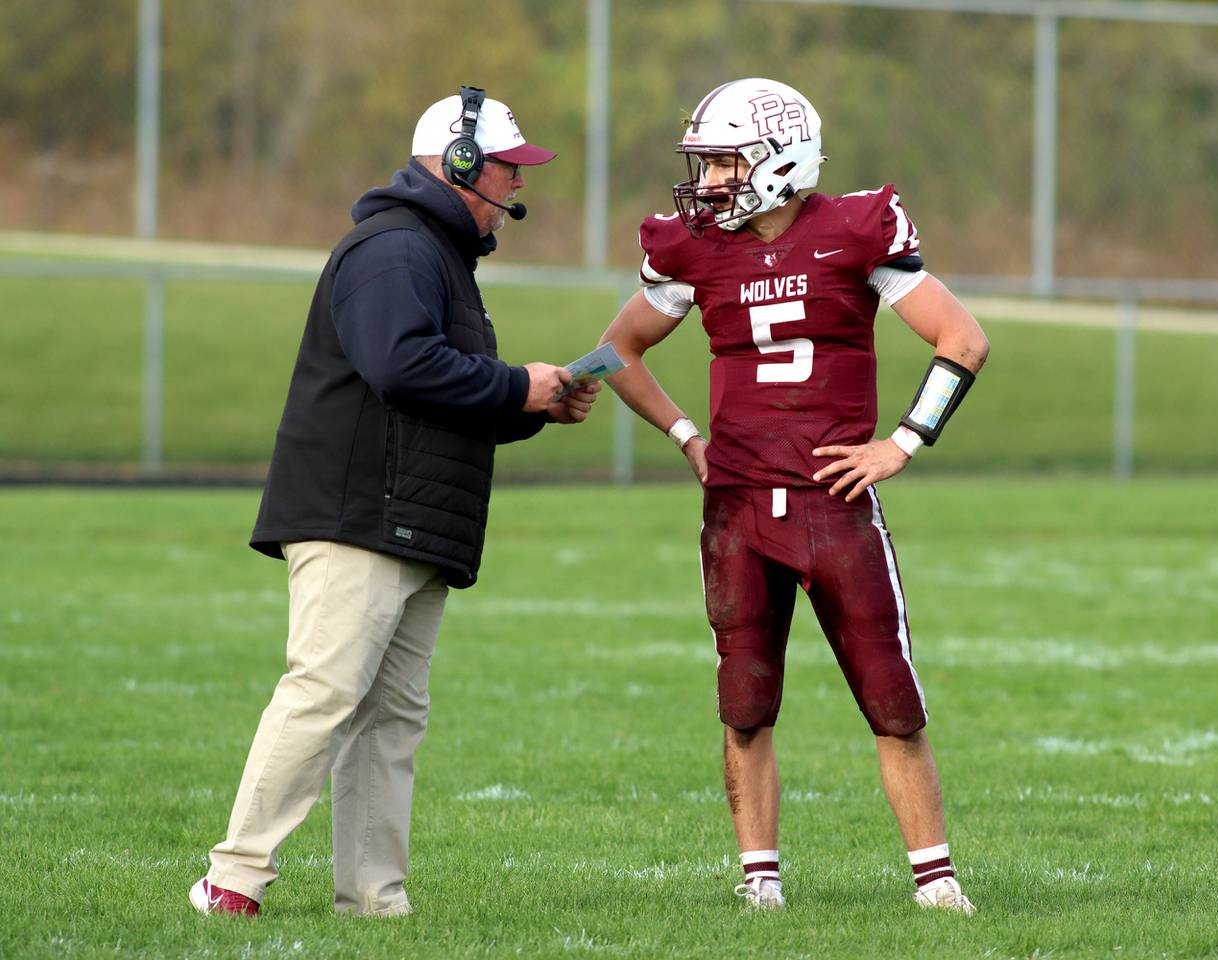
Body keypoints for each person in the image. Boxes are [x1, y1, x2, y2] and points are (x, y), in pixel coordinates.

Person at [189, 86, 600, 918]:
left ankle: (374, 898)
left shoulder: (434, 255)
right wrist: (521, 383)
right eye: (509, 169)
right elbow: (401, 366)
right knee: (326, 689)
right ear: (458, 163)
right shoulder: (395, 249)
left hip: (405, 518)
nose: (518, 186)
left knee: (390, 718)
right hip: (359, 516)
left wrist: (533, 406)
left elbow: (441, 398)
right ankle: (233, 878)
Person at [599, 78, 989, 912]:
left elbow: (964, 339)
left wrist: (905, 442)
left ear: (779, 160)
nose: (707, 185)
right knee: (743, 706)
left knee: (893, 701)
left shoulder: (853, 232)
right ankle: (760, 885)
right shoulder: (693, 248)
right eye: (703, 166)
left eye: (723, 165)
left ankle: (936, 882)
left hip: (831, 500)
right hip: (736, 507)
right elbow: (616, 351)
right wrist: (685, 437)